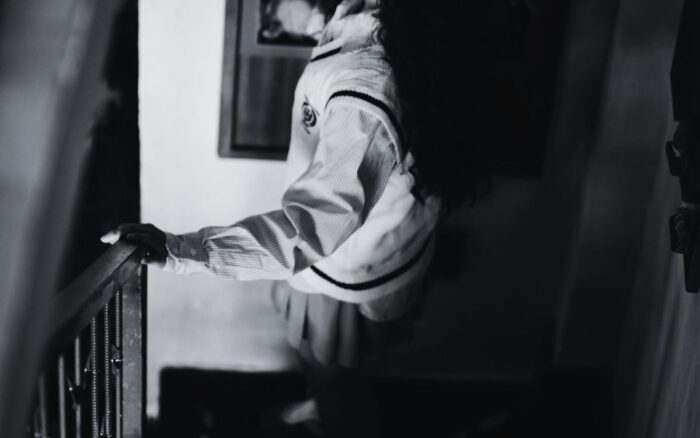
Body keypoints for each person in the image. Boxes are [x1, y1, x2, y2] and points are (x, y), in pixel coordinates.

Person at [103, 0, 490, 435]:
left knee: (333, 377)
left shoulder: (367, 98)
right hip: (382, 241)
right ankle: (325, 406)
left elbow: (310, 230)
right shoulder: (417, 31)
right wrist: (314, 21)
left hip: (343, 266)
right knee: (320, 357)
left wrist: (181, 250)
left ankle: (336, 417)